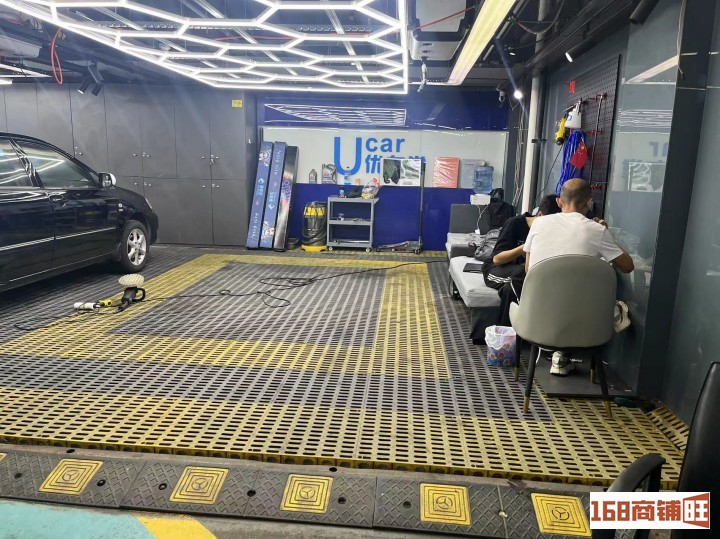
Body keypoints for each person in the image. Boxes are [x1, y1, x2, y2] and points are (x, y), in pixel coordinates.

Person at [523, 179, 634, 375]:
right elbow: (628, 267)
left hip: (535, 320)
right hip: (587, 325)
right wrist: (605, 234)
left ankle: (558, 357)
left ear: (559, 202)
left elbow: (529, 270)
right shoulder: (597, 230)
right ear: (589, 202)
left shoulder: (538, 224)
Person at [482, 194, 561, 327]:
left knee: (512, 286)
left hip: (520, 272)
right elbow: (497, 259)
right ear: (540, 215)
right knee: (524, 275)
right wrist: (525, 247)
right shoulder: (515, 223)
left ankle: (509, 331)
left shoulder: (552, 231)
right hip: (495, 269)